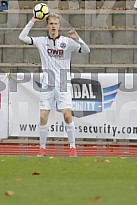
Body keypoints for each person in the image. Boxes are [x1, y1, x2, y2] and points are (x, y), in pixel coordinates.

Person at [18, 13, 90, 157]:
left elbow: (87, 50)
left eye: (56, 24)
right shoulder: (41, 41)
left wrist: (78, 38)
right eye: (51, 24)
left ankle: (72, 147)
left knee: (67, 116)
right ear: (47, 26)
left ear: (59, 26)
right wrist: (32, 20)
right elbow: (22, 37)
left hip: (63, 83)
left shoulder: (67, 42)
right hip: (48, 84)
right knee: (43, 117)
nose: (53, 26)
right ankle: (42, 148)